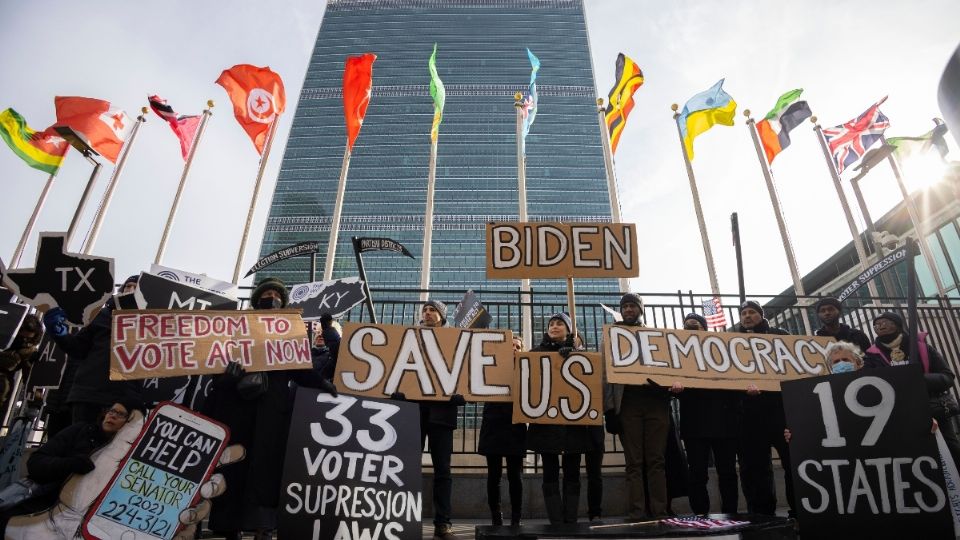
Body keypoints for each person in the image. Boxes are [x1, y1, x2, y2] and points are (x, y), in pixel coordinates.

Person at [203, 277, 336, 540]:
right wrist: (227, 376)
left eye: (277, 293)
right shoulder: (235, 328)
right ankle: (229, 526)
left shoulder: (289, 331)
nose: (272, 296)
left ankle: (263, 526)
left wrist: (322, 384)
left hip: (271, 410)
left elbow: (300, 369)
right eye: (267, 293)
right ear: (257, 299)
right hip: (237, 407)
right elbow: (215, 364)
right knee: (234, 465)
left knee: (267, 467)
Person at [0, 400, 142, 532]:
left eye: (121, 414)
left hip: (81, 521)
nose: (113, 416)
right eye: (112, 411)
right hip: (43, 502)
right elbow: (36, 463)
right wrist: (70, 464)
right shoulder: (80, 431)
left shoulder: (129, 456)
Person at [603, 294, 671, 520]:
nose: (629, 309)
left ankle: (659, 510)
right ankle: (637, 511)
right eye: (625, 306)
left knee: (656, 460)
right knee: (634, 461)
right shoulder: (611, 336)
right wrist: (609, 409)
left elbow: (670, 366)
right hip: (628, 403)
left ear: (640, 309)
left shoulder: (656, 335)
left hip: (655, 402)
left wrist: (667, 387)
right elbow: (605, 375)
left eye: (633, 306)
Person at [527, 312, 598, 524]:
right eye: (551, 323)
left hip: (573, 425)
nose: (555, 326)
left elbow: (590, 378)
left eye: (560, 323)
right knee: (549, 471)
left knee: (572, 471)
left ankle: (571, 518)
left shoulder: (579, 354)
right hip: (547, 424)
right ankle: (556, 519)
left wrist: (576, 354)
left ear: (569, 329)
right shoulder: (535, 353)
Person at [862, 312, 960, 465]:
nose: (879, 326)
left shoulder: (922, 347)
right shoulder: (870, 356)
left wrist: (918, 379)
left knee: (950, 449)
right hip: (898, 413)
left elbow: (947, 377)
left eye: (885, 322)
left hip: (932, 407)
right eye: (876, 324)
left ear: (898, 324)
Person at [42, 275, 142, 424]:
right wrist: (60, 333)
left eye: (136, 287)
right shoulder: (101, 315)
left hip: (125, 399)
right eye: (128, 286)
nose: (131, 290)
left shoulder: (154, 323)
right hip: (89, 395)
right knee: (79, 443)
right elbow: (78, 350)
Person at [672, 313, 740, 515]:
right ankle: (701, 515)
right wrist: (675, 388)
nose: (691, 328)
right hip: (695, 423)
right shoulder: (679, 355)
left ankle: (731, 513)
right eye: (687, 326)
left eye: (695, 325)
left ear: (705, 329)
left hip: (724, 421)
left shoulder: (723, 352)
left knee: (727, 472)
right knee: (697, 473)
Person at [733, 300, 794, 517]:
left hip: (780, 410)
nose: (747, 316)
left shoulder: (780, 335)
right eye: (743, 313)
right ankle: (761, 513)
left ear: (761, 315)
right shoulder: (732, 340)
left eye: (752, 312)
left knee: (792, 462)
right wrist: (742, 391)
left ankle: (797, 510)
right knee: (755, 467)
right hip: (749, 413)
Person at [415, 300, 464, 540]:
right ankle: (403, 517)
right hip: (413, 412)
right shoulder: (409, 339)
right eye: (425, 309)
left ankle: (442, 523)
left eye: (432, 309)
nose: (427, 312)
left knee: (442, 470)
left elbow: (466, 372)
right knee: (406, 469)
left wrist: (463, 395)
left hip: (442, 415)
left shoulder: (454, 341)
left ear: (442, 317)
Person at [477, 333, 527, 527]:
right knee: (494, 475)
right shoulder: (491, 365)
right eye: (510, 345)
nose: (514, 348)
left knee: (516, 475)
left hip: (516, 425)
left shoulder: (526, 369)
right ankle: (496, 517)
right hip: (494, 423)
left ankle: (516, 518)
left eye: (517, 346)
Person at [0, 314, 42, 414]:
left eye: (28, 339)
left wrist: (35, 403)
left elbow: (31, 379)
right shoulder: (6, 337)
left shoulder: (27, 351)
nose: (24, 340)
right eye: (22, 337)